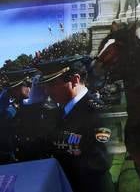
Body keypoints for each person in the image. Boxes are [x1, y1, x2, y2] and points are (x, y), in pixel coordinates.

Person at [36, 55, 113, 192]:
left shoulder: (96, 111)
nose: (47, 91)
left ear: (74, 80)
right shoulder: (58, 111)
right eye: (45, 85)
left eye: (52, 84)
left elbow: (100, 161)